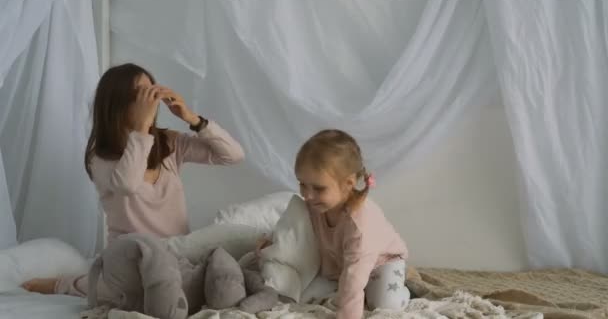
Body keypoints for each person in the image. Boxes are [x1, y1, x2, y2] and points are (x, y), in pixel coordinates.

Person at [22, 63, 244, 295]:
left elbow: (233, 155)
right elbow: (127, 184)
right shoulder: (100, 156)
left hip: (176, 253)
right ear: (118, 103)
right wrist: (141, 128)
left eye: (153, 92)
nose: (151, 101)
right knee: (129, 290)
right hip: (130, 257)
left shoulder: (169, 143)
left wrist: (193, 119)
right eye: (142, 94)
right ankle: (64, 284)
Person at [259, 129, 410, 318]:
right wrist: (271, 242)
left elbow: (354, 279)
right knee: (303, 296)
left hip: (381, 263)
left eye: (318, 188)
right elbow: (292, 229)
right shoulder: (315, 205)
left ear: (348, 183)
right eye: (302, 184)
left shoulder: (360, 224)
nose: (307, 195)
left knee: (387, 304)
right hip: (340, 266)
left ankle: (402, 287)